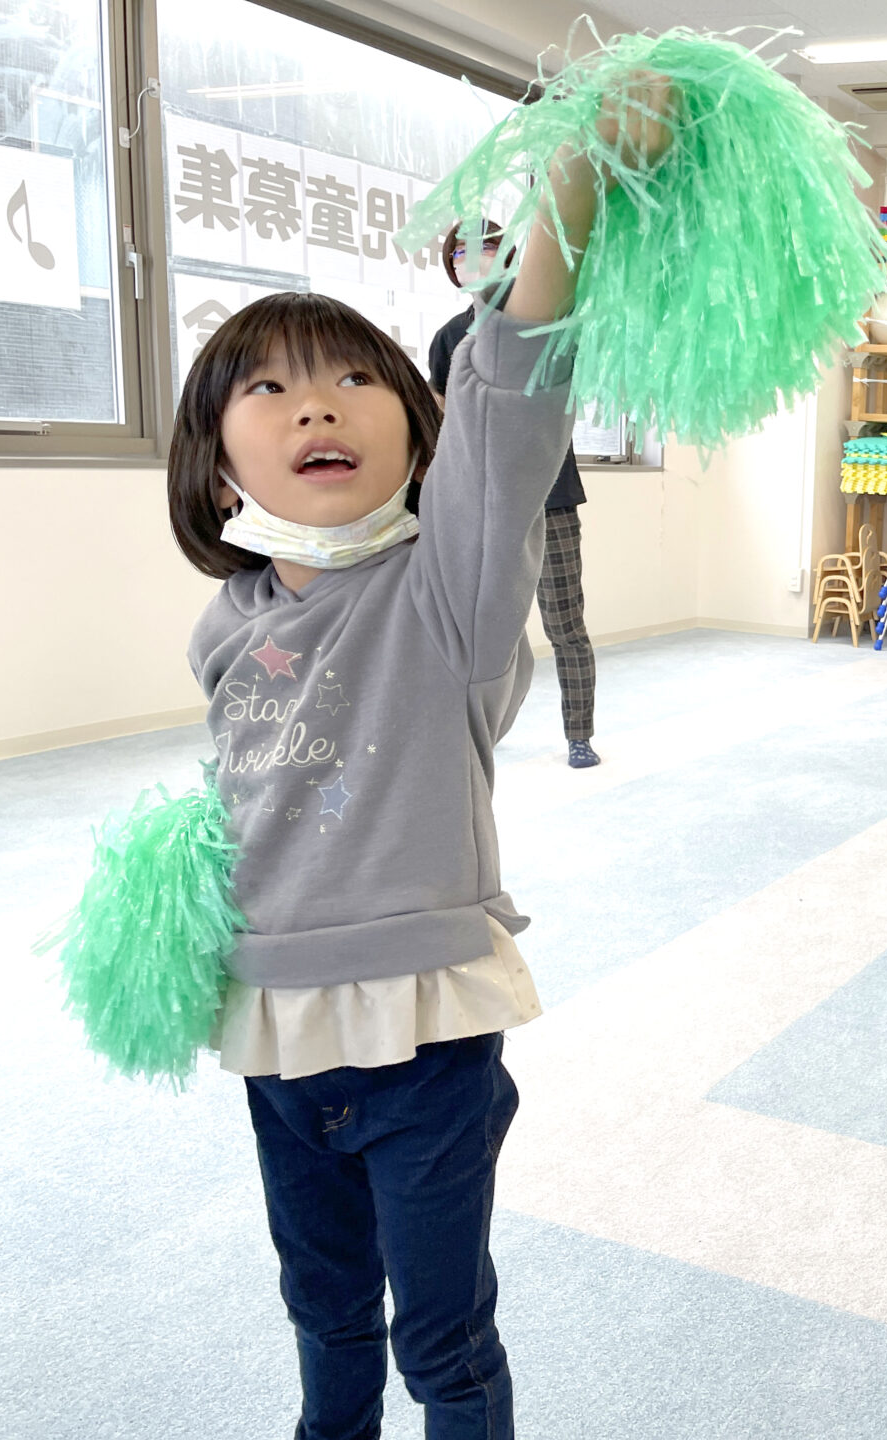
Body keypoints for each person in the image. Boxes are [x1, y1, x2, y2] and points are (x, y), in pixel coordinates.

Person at [164, 76, 670, 1436]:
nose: (316, 405)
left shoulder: (446, 586)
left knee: (441, 1339)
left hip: (424, 1042)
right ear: (220, 472)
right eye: (268, 389)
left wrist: (572, 184)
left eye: (352, 379)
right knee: (324, 1315)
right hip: (274, 1037)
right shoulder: (229, 626)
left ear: (412, 424)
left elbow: (510, 391)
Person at [430, 220, 601, 769]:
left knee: (565, 625)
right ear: (450, 264)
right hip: (476, 506)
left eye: (488, 248)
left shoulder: (545, 328)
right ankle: (468, 736)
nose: (474, 259)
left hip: (550, 497)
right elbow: (439, 419)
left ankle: (579, 733)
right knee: (470, 631)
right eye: (462, 251)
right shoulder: (449, 338)